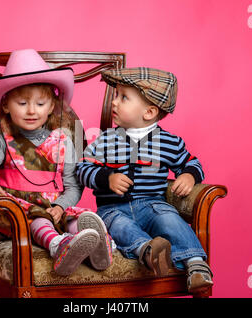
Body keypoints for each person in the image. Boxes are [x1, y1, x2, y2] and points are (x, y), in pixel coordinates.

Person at [0, 49, 112, 276]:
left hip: (56, 207)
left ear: (50, 108)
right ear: (6, 106)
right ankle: (59, 246)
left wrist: (60, 206)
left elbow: (73, 185)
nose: (31, 111)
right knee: (39, 221)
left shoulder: (63, 140)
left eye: (40, 104)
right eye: (22, 103)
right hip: (21, 211)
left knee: (74, 220)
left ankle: (95, 244)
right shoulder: (1, 139)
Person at [76, 67, 213, 293]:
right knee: (119, 226)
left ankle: (196, 265)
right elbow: (83, 168)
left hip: (152, 205)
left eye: (124, 98)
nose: (114, 102)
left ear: (149, 112)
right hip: (113, 208)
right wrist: (106, 178)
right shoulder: (105, 140)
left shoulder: (169, 142)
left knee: (170, 219)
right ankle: (148, 251)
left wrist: (189, 175)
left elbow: (192, 163)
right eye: (116, 95)